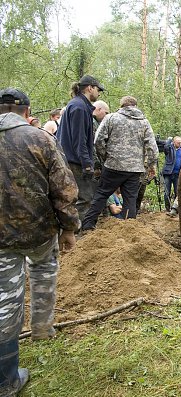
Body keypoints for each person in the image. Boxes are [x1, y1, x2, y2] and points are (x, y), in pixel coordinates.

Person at [0, 88, 79, 396]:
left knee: (6, 297)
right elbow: (64, 188)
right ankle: (41, 333)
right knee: (44, 273)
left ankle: (9, 369)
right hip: (39, 232)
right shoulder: (41, 139)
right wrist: (70, 228)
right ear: (27, 110)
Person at [81, 96, 158, 231]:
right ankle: (130, 231)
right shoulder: (144, 122)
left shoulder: (111, 118)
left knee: (102, 194)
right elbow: (153, 148)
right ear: (135, 106)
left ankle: (88, 226)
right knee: (130, 200)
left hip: (113, 166)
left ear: (121, 105)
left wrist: (105, 157)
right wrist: (150, 165)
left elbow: (98, 141)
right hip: (135, 169)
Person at [56, 75, 105, 224]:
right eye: (98, 89)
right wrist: (87, 164)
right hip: (74, 161)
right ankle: (80, 237)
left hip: (71, 158)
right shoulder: (79, 107)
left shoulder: (78, 105)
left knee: (77, 197)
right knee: (84, 198)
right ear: (89, 88)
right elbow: (80, 140)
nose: (99, 93)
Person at [157, 136, 181, 211]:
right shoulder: (169, 148)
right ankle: (168, 209)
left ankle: (176, 209)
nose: (179, 143)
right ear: (174, 142)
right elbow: (165, 147)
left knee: (178, 192)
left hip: (178, 174)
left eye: (180, 142)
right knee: (167, 192)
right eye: (178, 142)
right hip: (168, 173)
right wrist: (169, 140)